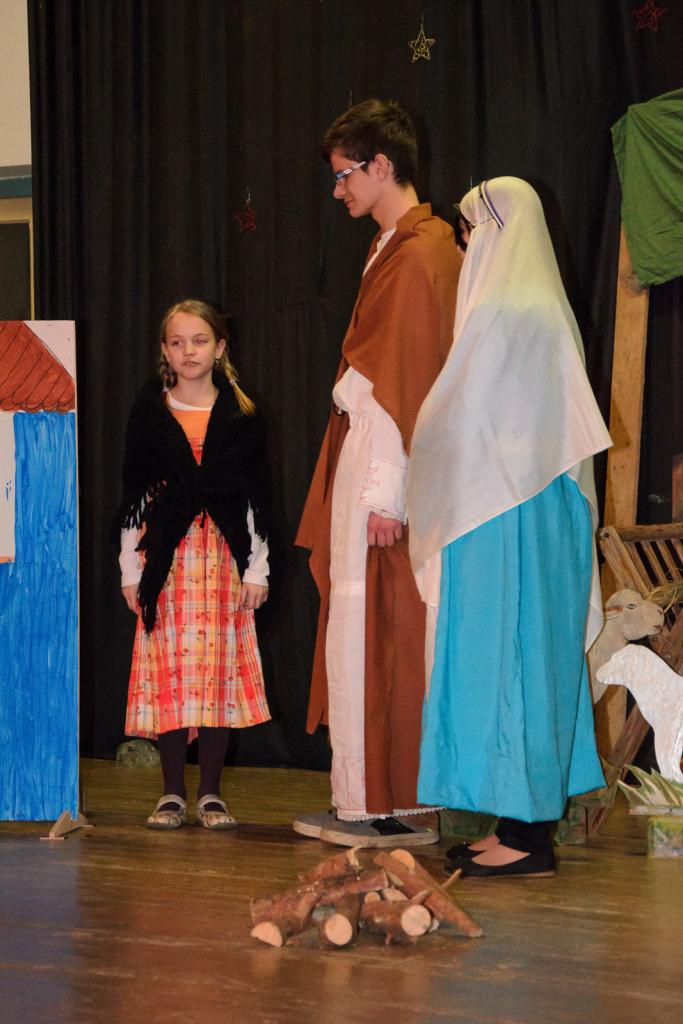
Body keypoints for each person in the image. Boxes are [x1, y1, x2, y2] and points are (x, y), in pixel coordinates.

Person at [406, 177, 612, 877]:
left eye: (469, 234)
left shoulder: (505, 310)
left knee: (510, 658)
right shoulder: (545, 309)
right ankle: (519, 824)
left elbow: (465, 419)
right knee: (535, 659)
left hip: (504, 512)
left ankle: (527, 838)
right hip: (538, 511)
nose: (466, 249)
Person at [294, 99, 462, 847]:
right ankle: (362, 796)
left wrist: (387, 492)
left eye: (345, 175)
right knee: (359, 623)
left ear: (382, 165)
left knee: (384, 626)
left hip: (384, 461)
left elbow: (408, 374)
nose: (339, 191)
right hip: (363, 446)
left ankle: (391, 804)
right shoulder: (390, 246)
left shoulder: (422, 250)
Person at [117, 299, 270, 830]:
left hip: (223, 559)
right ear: (164, 350)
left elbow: (256, 499)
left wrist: (257, 568)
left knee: (215, 675)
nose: (189, 352)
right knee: (170, 675)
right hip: (166, 560)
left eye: (200, 341)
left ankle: (210, 793)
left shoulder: (241, 414)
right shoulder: (150, 414)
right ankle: (171, 792)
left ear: (220, 348)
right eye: (178, 342)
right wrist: (130, 570)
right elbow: (134, 499)